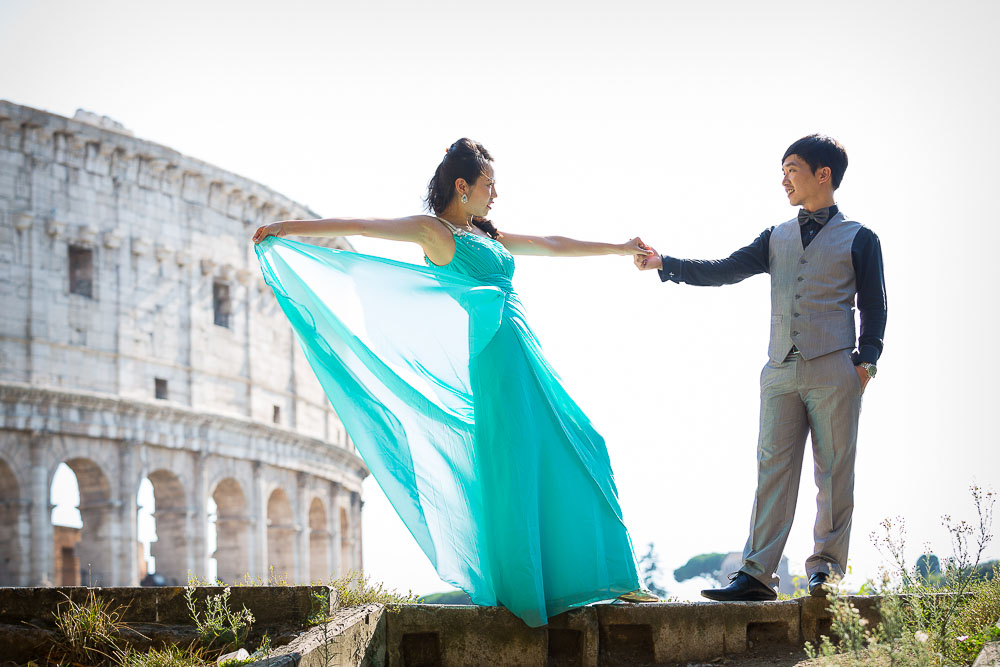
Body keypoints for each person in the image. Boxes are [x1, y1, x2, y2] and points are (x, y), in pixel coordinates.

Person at [252, 138, 657, 626]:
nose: (496, 195)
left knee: (581, 441)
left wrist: (617, 248)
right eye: (490, 186)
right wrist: (286, 228)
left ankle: (612, 578)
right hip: (496, 355)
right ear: (462, 187)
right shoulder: (435, 232)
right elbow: (363, 225)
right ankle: (534, 588)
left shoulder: (487, 234)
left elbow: (550, 243)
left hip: (523, 348)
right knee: (519, 460)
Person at [635, 134, 886, 601]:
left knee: (833, 473)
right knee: (772, 469)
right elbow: (726, 268)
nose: (784, 179)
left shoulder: (861, 238)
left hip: (835, 367)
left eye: (792, 168)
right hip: (779, 371)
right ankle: (756, 575)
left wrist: (865, 362)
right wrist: (665, 263)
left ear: (823, 174)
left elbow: (875, 303)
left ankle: (825, 572)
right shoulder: (775, 236)